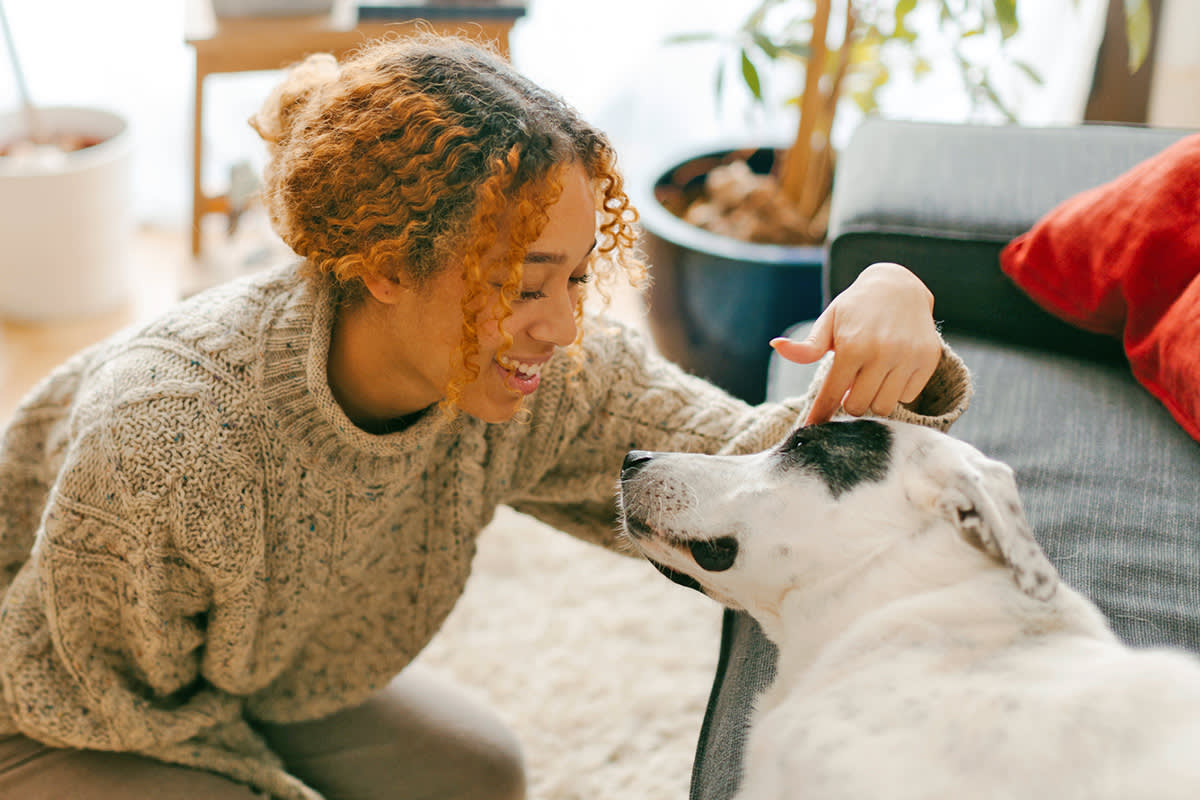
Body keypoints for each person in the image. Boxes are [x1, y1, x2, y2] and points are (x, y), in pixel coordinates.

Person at [0, 34, 970, 800]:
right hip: (46, 702)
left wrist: (899, 334)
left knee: (476, 775)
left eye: (577, 276)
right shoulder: (173, 438)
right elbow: (99, 694)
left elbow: (744, 475)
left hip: (252, 664)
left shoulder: (538, 378)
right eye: (520, 284)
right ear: (387, 266)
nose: (563, 325)